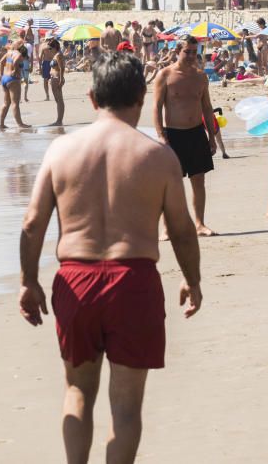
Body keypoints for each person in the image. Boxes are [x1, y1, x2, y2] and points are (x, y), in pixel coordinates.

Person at [19, 52, 202, 464]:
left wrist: (28, 280)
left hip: (75, 279)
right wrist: (193, 278)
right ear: (140, 97)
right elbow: (181, 229)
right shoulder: (157, 157)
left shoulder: (62, 150)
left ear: (91, 96)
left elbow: (33, 224)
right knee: (126, 408)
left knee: (77, 391)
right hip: (133, 282)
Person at [153, 36, 218, 236]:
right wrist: (162, 136)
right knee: (172, 184)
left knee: (199, 181)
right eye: (187, 51)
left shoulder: (200, 76)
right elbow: (156, 108)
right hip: (173, 134)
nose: (190, 56)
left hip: (197, 133)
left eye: (194, 52)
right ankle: (168, 228)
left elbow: (207, 108)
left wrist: (211, 137)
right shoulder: (165, 75)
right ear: (177, 52)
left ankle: (199, 224)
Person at [0, 43, 30, 130]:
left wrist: (0, 75)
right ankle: (20, 124)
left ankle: (1, 124)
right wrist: (15, 70)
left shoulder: (9, 52)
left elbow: (1, 62)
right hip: (13, 79)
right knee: (15, 103)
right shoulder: (18, 55)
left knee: (6, 103)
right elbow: (16, 61)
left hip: (5, 78)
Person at [49, 39, 66, 126]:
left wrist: (61, 79)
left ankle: (59, 121)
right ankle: (59, 120)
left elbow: (62, 67)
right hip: (54, 78)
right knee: (58, 100)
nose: (49, 50)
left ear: (55, 47)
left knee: (59, 100)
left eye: (50, 48)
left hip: (57, 78)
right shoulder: (56, 54)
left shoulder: (58, 55)